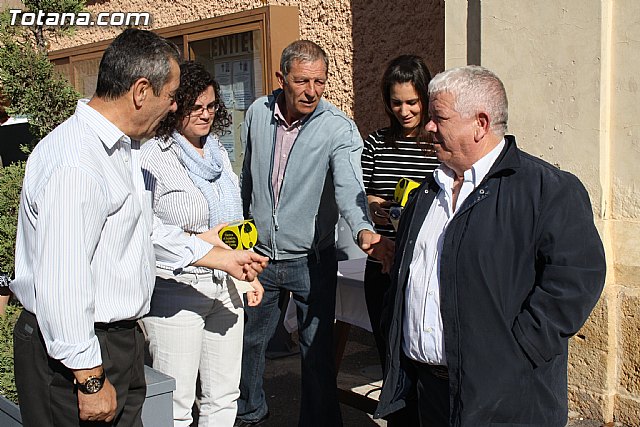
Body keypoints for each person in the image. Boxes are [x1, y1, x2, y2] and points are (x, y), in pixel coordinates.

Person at [10, 29, 267, 427]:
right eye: (172, 96)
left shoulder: (121, 149)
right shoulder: (77, 162)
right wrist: (90, 377)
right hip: (76, 354)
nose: (174, 106)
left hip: (114, 342)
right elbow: (63, 281)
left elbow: (145, 232)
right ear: (141, 91)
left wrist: (218, 257)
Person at [375, 65, 606, 427]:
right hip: (427, 395)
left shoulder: (546, 189)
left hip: (508, 400)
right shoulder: (426, 193)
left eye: (439, 117)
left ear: (480, 124)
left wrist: (522, 349)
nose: (428, 126)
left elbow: (576, 279)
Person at [236, 40, 393, 427]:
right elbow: (247, 180)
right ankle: (248, 414)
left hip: (312, 261)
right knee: (249, 345)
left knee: (317, 353)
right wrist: (240, 235)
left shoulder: (338, 127)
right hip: (261, 257)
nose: (312, 91)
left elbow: (350, 186)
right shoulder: (257, 113)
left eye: (319, 82)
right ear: (282, 79)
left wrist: (363, 230)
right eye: (302, 81)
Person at [141, 60, 264, 427]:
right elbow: (144, 230)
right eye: (195, 107)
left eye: (211, 106)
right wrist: (199, 241)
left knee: (223, 397)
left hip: (227, 283)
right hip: (176, 288)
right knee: (175, 404)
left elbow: (233, 225)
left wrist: (248, 275)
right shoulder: (153, 156)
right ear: (174, 106)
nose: (206, 114)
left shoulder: (217, 153)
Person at [361, 54, 439, 427]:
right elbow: (360, 194)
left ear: (425, 98)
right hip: (381, 263)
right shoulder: (377, 142)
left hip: (424, 268)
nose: (404, 111)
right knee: (389, 356)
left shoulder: (438, 144)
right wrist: (375, 207)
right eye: (396, 103)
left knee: (423, 361)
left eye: (412, 102)